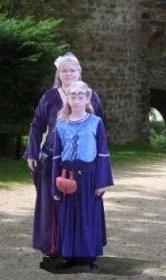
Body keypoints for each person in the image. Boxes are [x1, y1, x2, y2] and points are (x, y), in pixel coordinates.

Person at [24, 52, 106, 257]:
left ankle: (81, 245)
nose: (68, 73)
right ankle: (53, 246)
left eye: (72, 70)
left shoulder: (91, 96)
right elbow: (37, 126)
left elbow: (100, 130)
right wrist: (32, 152)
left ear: (79, 72)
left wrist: (99, 166)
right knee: (52, 201)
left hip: (83, 164)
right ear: (58, 74)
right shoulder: (50, 97)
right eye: (64, 70)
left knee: (83, 204)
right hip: (52, 158)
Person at [51, 80, 113, 271]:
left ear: (87, 99)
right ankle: (68, 255)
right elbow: (56, 156)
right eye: (73, 97)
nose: (76, 101)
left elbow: (103, 152)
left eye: (80, 97)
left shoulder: (96, 123)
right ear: (67, 99)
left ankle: (90, 256)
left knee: (88, 215)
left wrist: (101, 181)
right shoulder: (61, 125)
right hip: (67, 176)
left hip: (89, 176)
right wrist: (55, 186)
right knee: (68, 216)